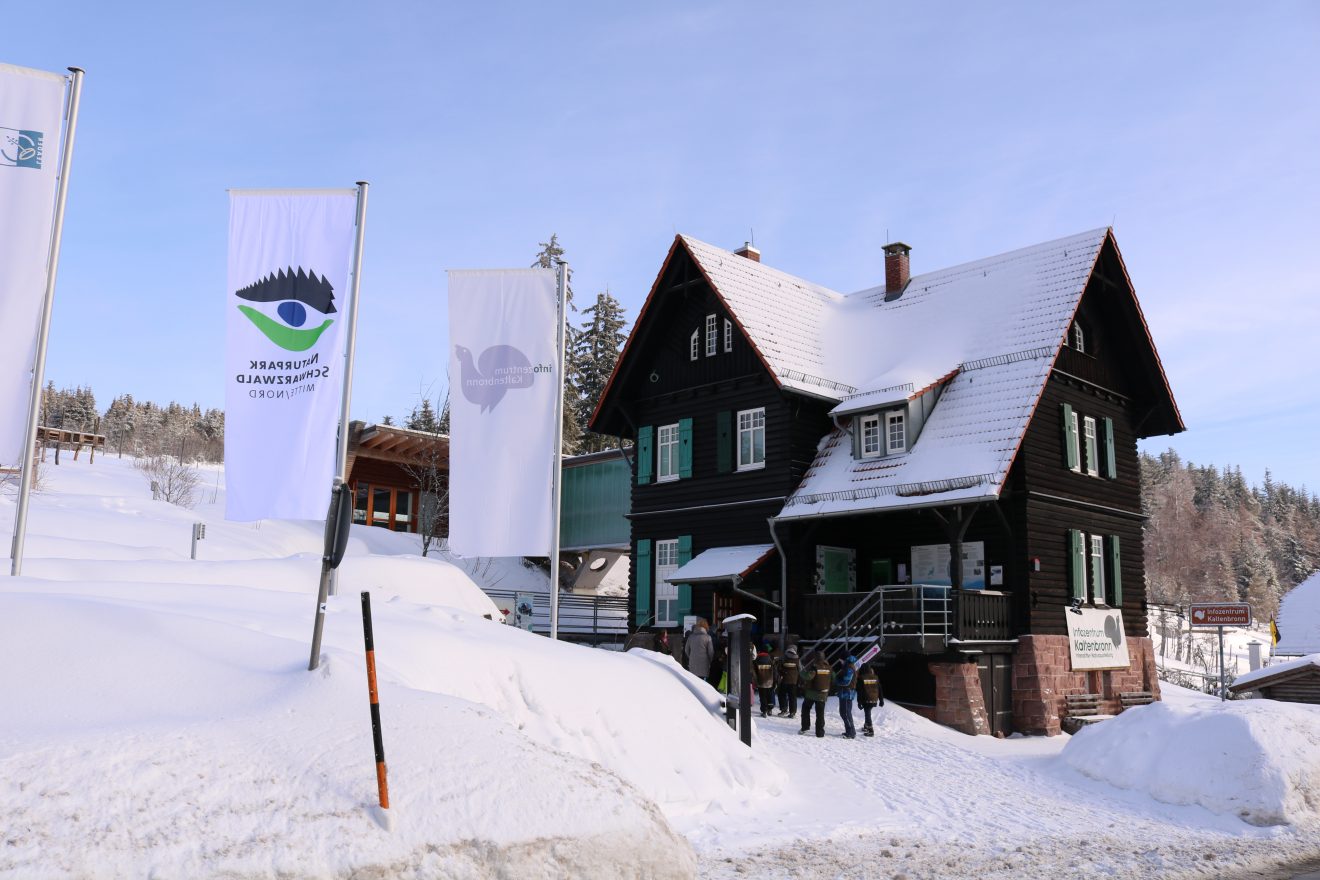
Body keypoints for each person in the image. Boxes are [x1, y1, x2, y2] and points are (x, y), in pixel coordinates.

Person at [799, 650, 832, 738]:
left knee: (805, 709)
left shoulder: (815, 667)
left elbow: (808, 676)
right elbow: (833, 678)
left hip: (812, 693)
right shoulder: (829, 667)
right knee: (820, 714)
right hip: (823, 694)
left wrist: (801, 672)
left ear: (816, 658)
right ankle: (820, 733)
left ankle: (805, 727)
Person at [857, 661, 884, 736]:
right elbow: (880, 689)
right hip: (874, 699)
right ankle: (866, 726)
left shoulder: (861, 678)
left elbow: (860, 691)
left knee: (867, 713)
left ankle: (870, 730)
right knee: (868, 712)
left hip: (866, 698)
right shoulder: (875, 677)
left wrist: (859, 702)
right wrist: (881, 700)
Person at [834, 655, 858, 739]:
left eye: (840, 660)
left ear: (844, 659)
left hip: (847, 693)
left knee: (846, 713)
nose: (840, 661)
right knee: (843, 712)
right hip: (844, 693)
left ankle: (851, 732)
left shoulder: (849, 668)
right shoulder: (847, 667)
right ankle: (849, 730)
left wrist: (836, 680)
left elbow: (846, 682)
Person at [774, 644, 800, 718]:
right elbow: (800, 669)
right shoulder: (797, 659)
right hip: (793, 681)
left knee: (782, 694)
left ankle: (784, 710)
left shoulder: (783, 658)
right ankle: (792, 713)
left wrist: (782, 673)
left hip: (784, 680)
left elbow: (779, 668)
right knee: (792, 696)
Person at [753, 643, 777, 717]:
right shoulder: (770, 660)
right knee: (769, 695)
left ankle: (764, 711)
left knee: (762, 696)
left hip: (761, 682)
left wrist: (755, 682)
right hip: (770, 681)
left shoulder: (757, 660)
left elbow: (754, 672)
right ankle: (770, 710)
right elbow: (774, 671)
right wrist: (775, 681)